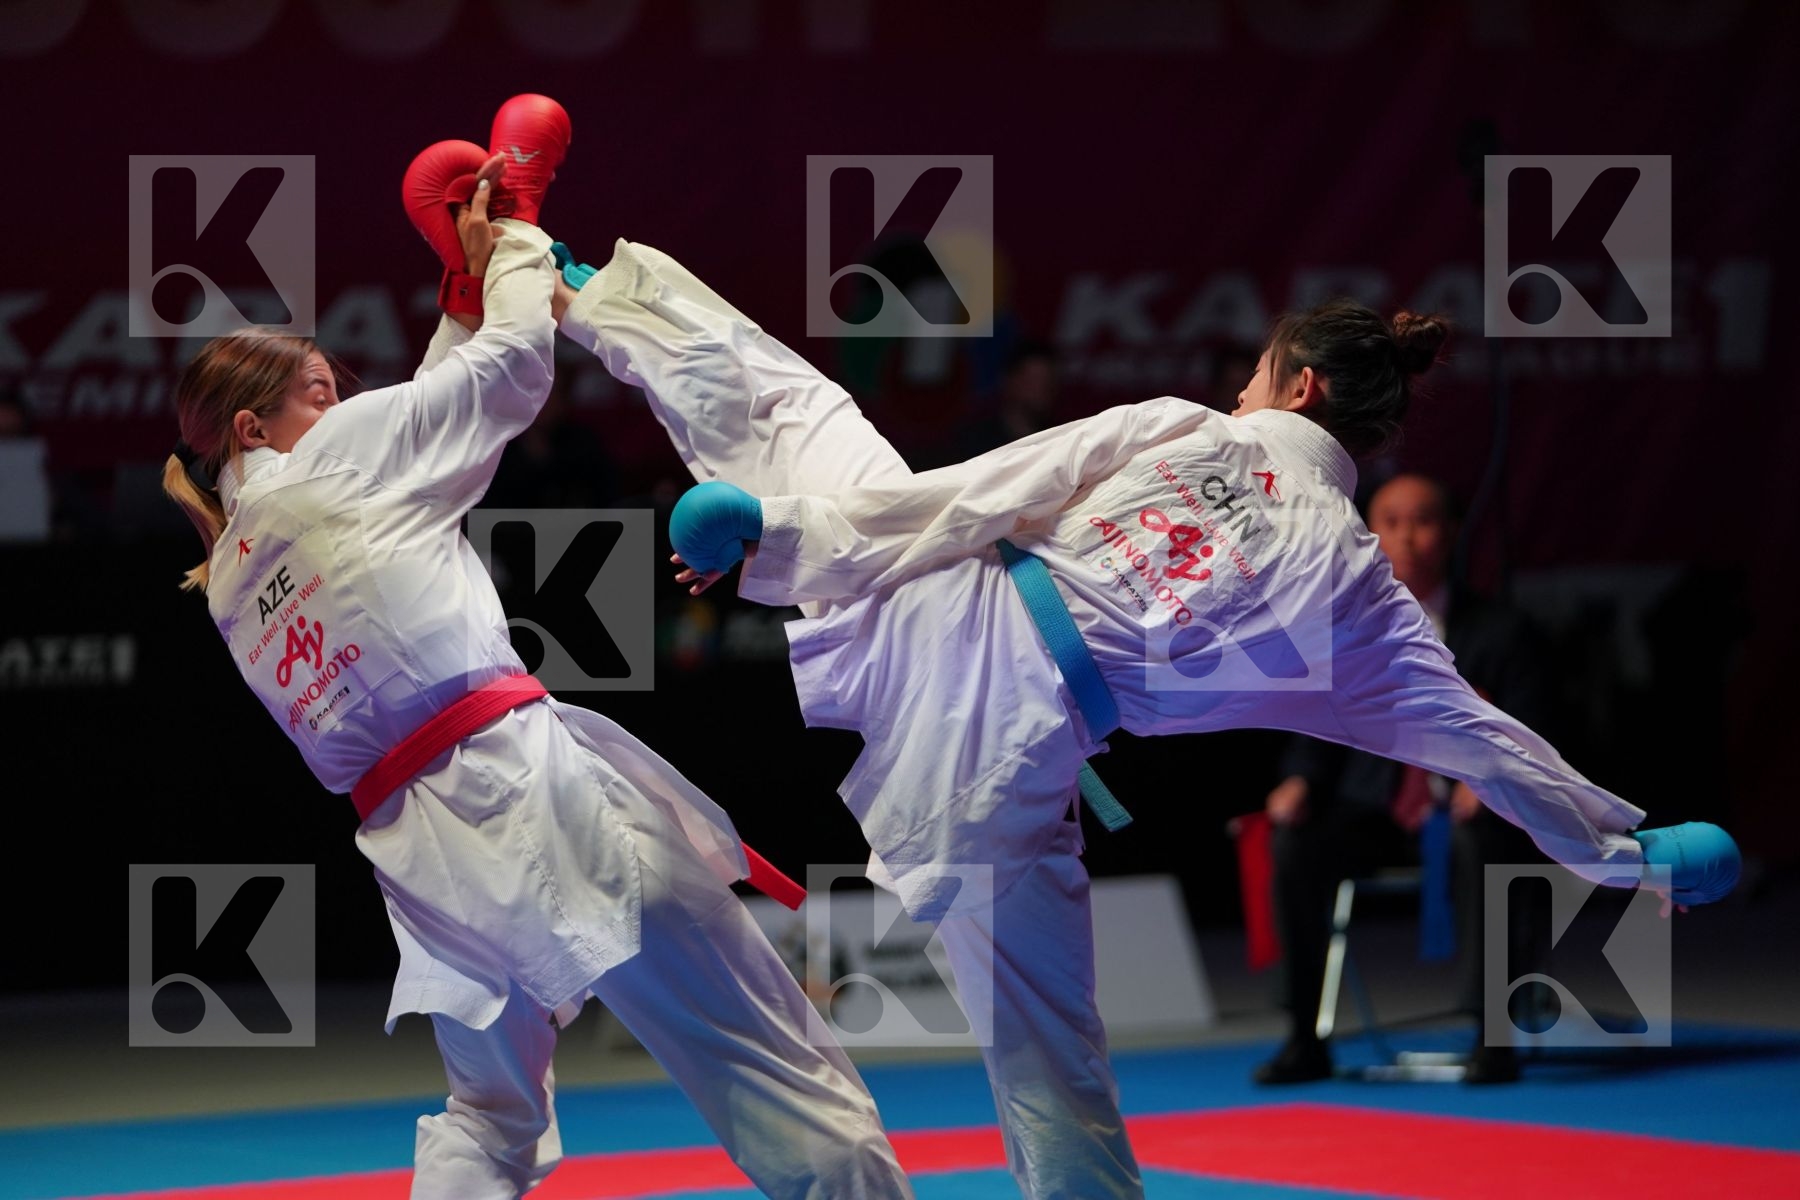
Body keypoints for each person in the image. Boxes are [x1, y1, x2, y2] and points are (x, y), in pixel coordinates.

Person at [549, 238, 1740, 1200]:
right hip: (1007, 757)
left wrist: (787, 537)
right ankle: (591, 305)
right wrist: (1625, 852)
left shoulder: (1190, 427)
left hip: (941, 603)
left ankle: (567, 282)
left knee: (794, 406)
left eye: (1256, 372)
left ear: (1299, 384)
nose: (1240, 388)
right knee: (1050, 1058)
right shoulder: (1360, 595)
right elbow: (1480, 736)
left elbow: (984, 494)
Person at [161, 100, 912, 1200]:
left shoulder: (230, 574)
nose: (346, 401)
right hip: (543, 805)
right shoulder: (334, 469)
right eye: (322, 391)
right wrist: (513, 223)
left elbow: (421, 427)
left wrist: (462, 292)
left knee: (491, 1116)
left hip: (427, 864)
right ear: (252, 428)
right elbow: (510, 373)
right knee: (779, 1071)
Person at [1255, 473, 1553, 1086]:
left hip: (1470, 812)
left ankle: (1492, 1035)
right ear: (1368, 535)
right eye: (1389, 522)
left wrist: (1491, 778)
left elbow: (1532, 729)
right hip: (1380, 810)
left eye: (1421, 520)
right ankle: (1304, 1036)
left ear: (1449, 532)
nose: (1407, 537)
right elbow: (1320, 725)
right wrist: (1300, 782)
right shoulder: (1350, 630)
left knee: (1483, 836)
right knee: (1295, 843)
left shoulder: (1502, 629)